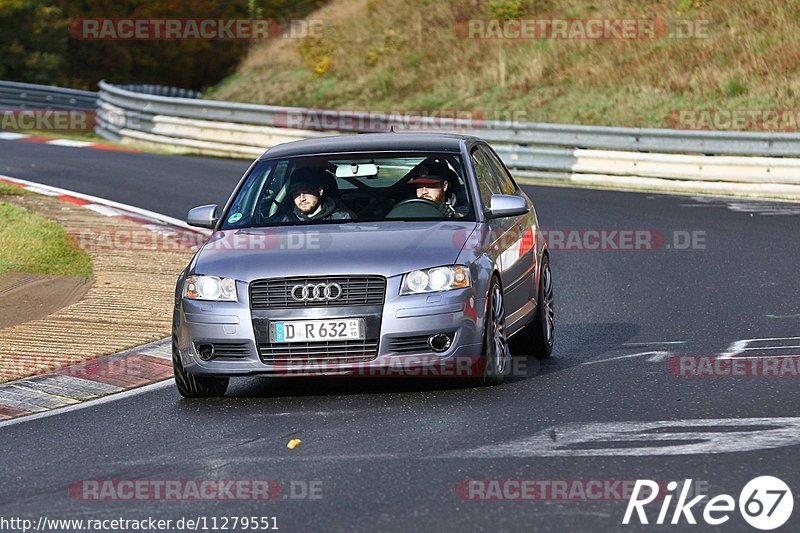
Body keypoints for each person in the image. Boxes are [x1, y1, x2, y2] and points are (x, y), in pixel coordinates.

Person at [273, 169, 353, 222]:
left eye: (307, 192)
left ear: (320, 191)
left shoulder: (340, 219)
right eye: (296, 193)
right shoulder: (283, 221)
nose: (302, 198)